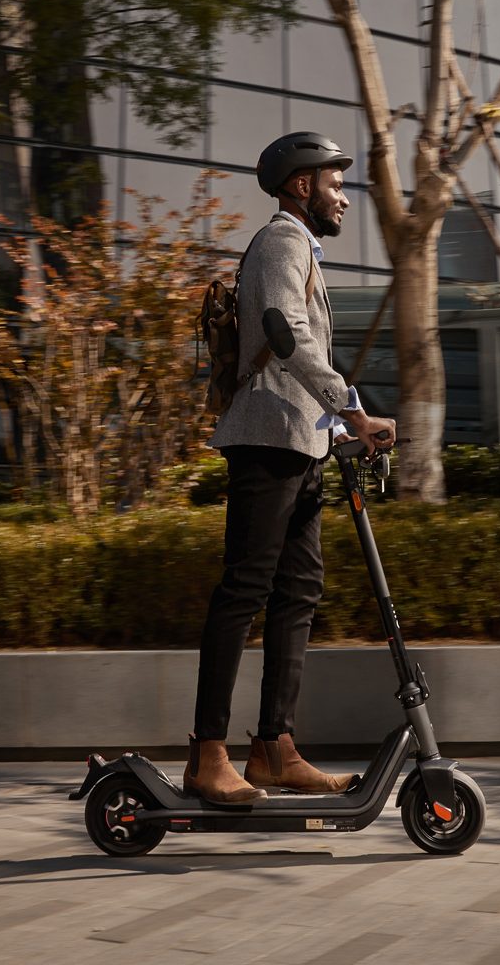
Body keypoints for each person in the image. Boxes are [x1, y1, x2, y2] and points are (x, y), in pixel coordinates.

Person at [185, 131, 397, 803]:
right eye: (334, 184)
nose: (343, 197)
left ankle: (274, 747)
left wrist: (339, 429)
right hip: (269, 439)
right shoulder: (282, 239)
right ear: (299, 185)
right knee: (244, 591)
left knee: (299, 591)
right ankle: (207, 755)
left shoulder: (301, 246)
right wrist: (352, 407)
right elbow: (287, 332)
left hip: (303, 444)